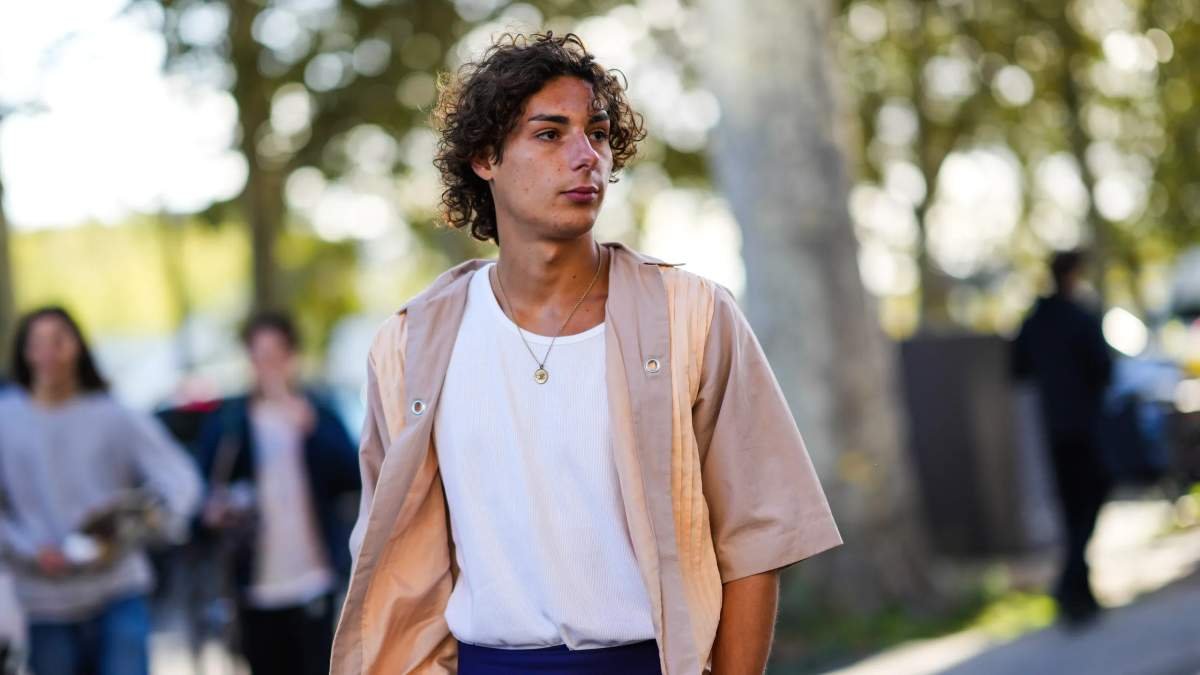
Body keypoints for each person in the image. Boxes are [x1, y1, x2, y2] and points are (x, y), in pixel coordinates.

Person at [330, 33, 842, 675]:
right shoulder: (409, 347)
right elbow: (392, 560)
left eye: (596, 133)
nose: (585, 157)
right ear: (486, 157)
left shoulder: (693, 317)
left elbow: (755, 541)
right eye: (550, 134)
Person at [0, 306, 202, 675]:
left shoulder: (113, 415)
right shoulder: (6, 420)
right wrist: (29, 550)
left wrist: (144, 524)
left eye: (58, 341)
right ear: (24, 352)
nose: (48, 354)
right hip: (43, 602)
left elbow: (181, 480)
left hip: (117, 590)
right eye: (37, 343)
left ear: (77, 346)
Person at [195, 311, 359, 675]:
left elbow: (353, 476)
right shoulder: (230, 422)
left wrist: (312, 429)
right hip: (253, 584)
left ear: (292, 357)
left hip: (314, 579)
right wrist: (216, 512)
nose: (267, 367)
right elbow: (202, 494)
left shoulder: (318, 411)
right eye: (258, 357)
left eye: (275, 356)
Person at [1013, 250, 1114, 625]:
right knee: (1090, 500)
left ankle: (1079, 591)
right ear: (1072, 275)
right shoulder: (1079, 316)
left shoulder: (1035, 321)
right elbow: (1104, 369)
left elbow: (1018, 370)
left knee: (1073, 511)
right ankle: (1071, 583)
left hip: (1052, 431)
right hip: (1085, 428)